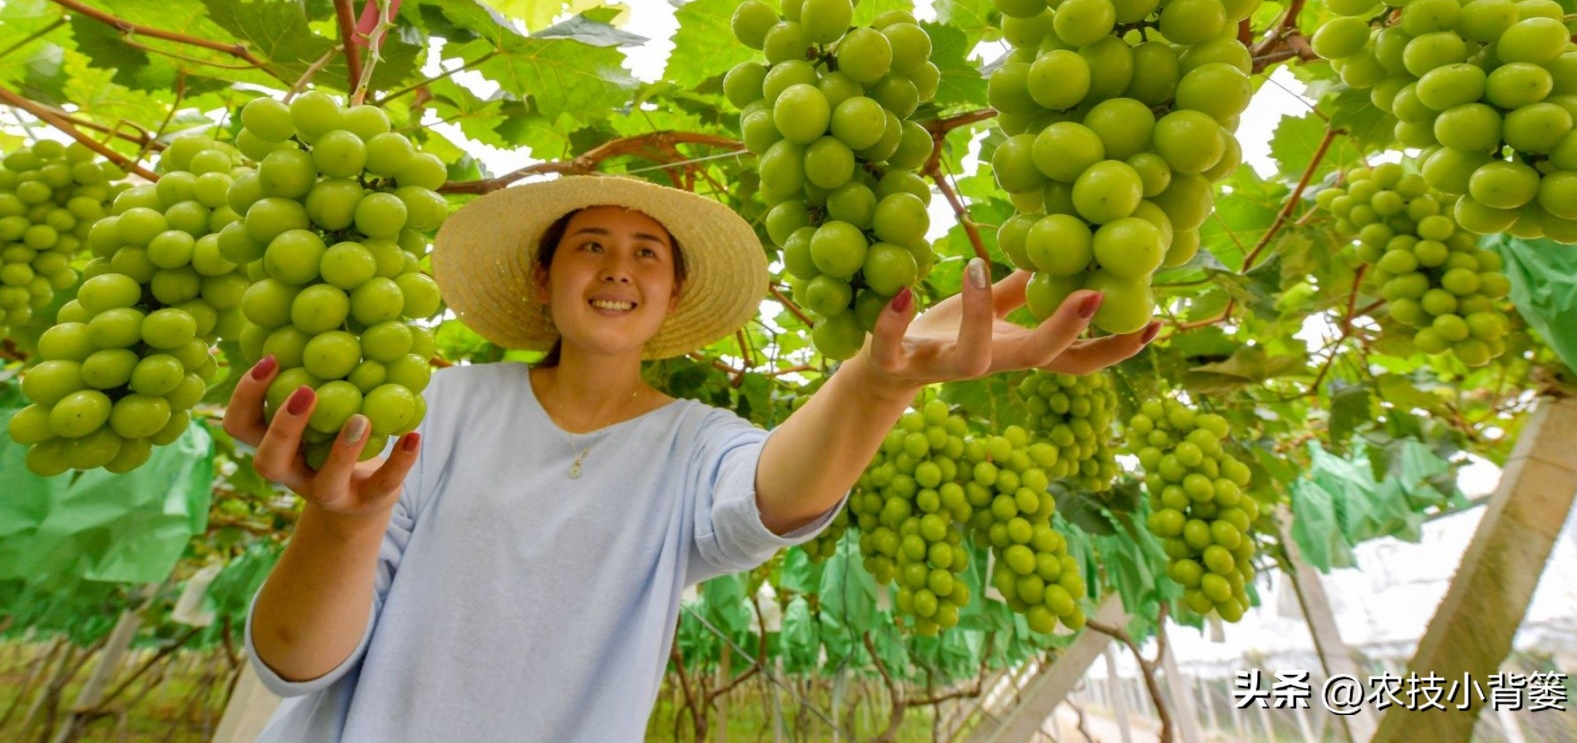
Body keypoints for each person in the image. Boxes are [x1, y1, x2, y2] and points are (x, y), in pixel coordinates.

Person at [227, 175, 1156, 740]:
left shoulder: (695, 444)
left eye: (647, 255)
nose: (619, 268)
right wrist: (342, 520)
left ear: (668, 299)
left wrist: (878, 382)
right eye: (590, 246)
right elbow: (294, 665)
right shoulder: (437, 407)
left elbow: (774, 493)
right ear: (545, 280)